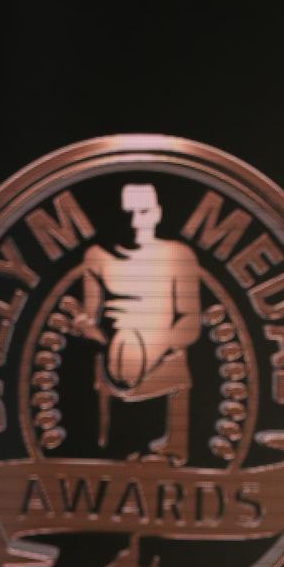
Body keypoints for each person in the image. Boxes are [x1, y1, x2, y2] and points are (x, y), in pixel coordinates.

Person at [73, 183, 201, 465]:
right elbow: (90, 316)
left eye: (142, 212)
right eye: (126, 213)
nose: (134, 222)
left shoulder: (179, 255)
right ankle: (115, 445)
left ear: (156, 214)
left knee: (174, 363)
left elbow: (191, 321)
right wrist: (86, 328)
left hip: (164, 355)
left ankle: (169, 448)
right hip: (114, 359)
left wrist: (155, 348)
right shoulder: (96, 256)